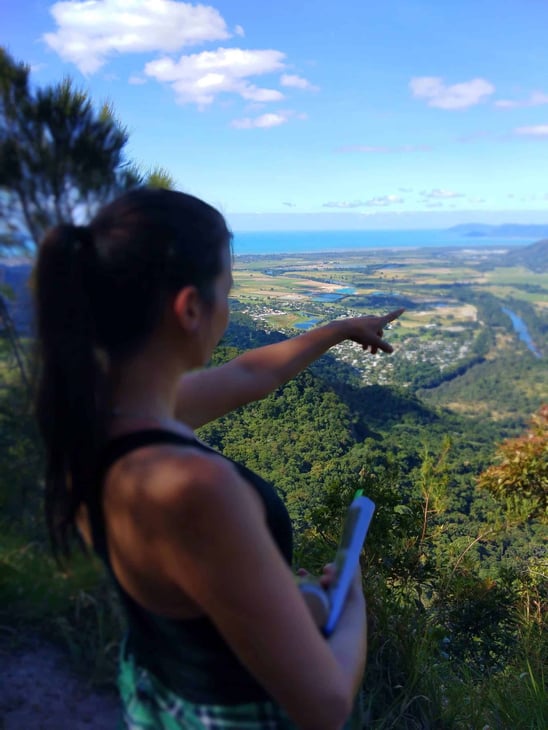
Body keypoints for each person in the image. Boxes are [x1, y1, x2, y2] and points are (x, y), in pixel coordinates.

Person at [33, 188, 403, 730]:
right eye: (226, 289)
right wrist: (350, 606)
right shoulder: (195, 488)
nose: (228, 306)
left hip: (159, 692)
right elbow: (323, 704)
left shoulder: (89, 424)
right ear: (189, 308)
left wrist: (341, 329)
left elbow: (253, 375)